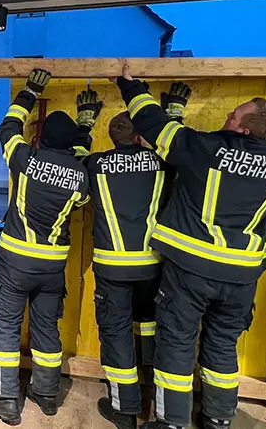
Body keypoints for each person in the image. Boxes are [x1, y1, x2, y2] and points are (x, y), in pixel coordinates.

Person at [115, 65, 266, 429]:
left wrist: (130, 85)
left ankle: (171, 422)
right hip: (242, 277)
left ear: (244, 130)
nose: (228, 116)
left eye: (234, 115)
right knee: (223, 345)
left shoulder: (208, 149)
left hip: (192, 271)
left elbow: (155, 125)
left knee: (177, 342)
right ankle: (218, 419)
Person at [0, 69, 91, 426]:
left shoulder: (26, 159)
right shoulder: (80, 176)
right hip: (52, 267)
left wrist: (29, 91)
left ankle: (5, 402)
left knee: (5, 328)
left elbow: (9, 127)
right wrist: (85, 129)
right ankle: (45, 395)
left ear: (40, 138)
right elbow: (79, 198)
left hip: (16, 262)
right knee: (46, 329)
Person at [84, 89, 179, 427]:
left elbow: (76, 158)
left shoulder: (95, 164)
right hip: (152, 265)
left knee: (117, 332)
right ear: (140, 136)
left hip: (112, 267)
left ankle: (125, 410)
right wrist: (171, 113)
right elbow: (176, 145)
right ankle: (154, 390)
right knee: (152, 324)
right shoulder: (162, 163)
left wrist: (85, 122)